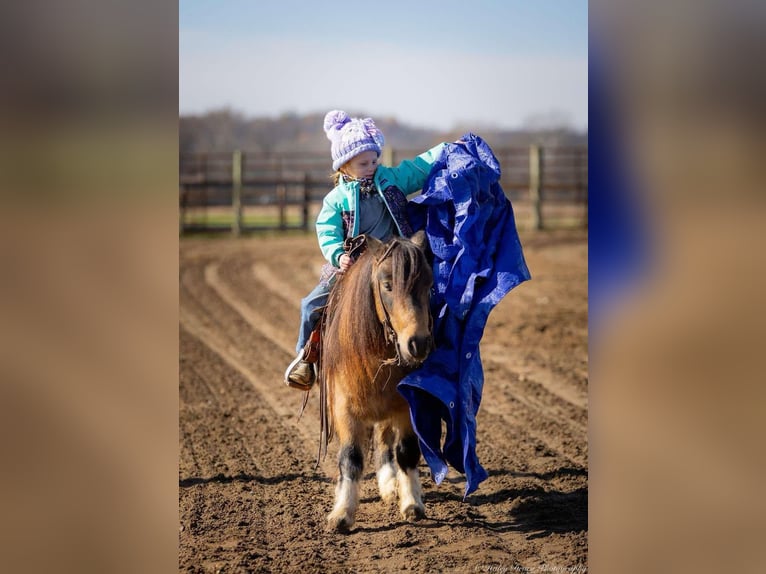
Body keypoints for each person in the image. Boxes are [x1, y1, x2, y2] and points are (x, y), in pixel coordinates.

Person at [284, 110, 446, 390]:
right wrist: (338, 255)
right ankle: (305, 359)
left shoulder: (390, 180)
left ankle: (437, 352)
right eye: (363, 163)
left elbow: (418, 167)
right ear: (344, 166)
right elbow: (326, 230)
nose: (371, 166)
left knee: (429, 292)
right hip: (352, 263)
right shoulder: (336, 200)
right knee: (310, 304)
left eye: (374, 160)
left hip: (393, 263)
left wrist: (448, 150)